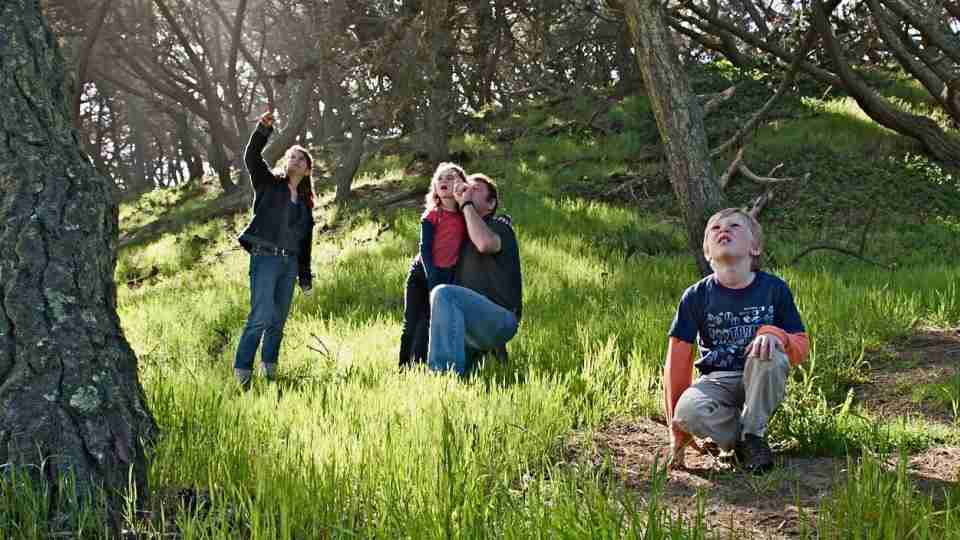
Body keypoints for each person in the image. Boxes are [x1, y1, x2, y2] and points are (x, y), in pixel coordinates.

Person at [664, 208, 809, 474]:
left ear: (754, 247)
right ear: (707, 252)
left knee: (768, 351)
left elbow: (800, 346)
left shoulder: (774, 289)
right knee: (687, 411)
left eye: (734, 226)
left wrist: (774, 335)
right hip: (716, 381)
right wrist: (677, 430)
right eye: (715, 229)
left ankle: (753, 433)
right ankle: (744, 441)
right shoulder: (695, 296)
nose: (723, 230)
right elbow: (677, 363)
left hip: (760, 376)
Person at [233, 111, 315, 389]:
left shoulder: (305, 206)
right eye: (292, 156)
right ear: (285, 163)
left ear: (307, 170)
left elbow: (305, 245)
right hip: (265, 258)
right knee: (260, 315)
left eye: (301, 158)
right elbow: (251, 158)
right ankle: (243, 371)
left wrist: (304, 277)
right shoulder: (268, 184)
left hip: (289, 264)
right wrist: (262, 131)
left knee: (278, 320)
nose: (295, 160)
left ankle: (269, 371)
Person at [427, 173, 522, 376]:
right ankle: (452, 377)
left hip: (501, 320)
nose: (468, 190)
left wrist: (466, 205)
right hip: (469, 327)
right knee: (470, 378)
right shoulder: (460, 237)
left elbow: (485, 244)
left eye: (476, 189)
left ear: (491, 203)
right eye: (466, 186)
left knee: (444, 294)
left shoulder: (499, 227)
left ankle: (442, 377)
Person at [398, 163, 468, 367]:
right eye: (440, 178)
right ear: (435, 188)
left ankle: (420, 365)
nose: (444, 181)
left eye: (451, 177)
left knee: (429, 322)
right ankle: (403, 368)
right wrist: (432, 277)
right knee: (411, 322)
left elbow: (485, 222)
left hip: (446, 277)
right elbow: (425, 248)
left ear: (462, 185)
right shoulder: (432, 215)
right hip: (422, 274)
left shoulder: (465, 216)